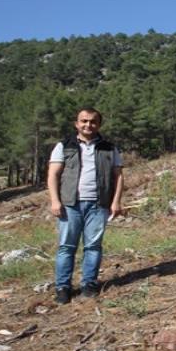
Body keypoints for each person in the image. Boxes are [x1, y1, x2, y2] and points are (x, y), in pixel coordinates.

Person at [47, 107, 124, 304]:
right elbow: (53, 174)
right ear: (76, 123)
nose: (88, 125)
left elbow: (118, 176)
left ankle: (89, 284)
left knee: (93, 246)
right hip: (70, 204)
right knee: (66, 247)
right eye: (84, 121)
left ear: (99, 124)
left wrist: (116, 202)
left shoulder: (109, 148)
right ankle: (63, 287)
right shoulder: (64, 146)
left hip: (99, 205)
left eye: (92, 121)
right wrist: (55, 200)